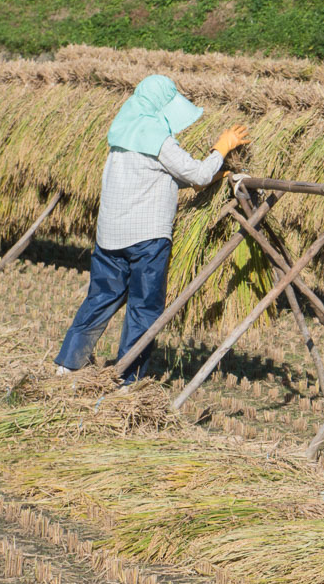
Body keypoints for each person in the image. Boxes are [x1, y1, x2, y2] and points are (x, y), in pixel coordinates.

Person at [55, 75, 248, 382]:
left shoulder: (122, 132)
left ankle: (68, 364)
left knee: (100, 299)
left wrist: (212, 174)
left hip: (110, 237)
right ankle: (128, 378)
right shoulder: (159, 136)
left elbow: (164, 174)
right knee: (144, 308)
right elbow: (196, 174)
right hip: (146, 239)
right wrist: (220, 149)